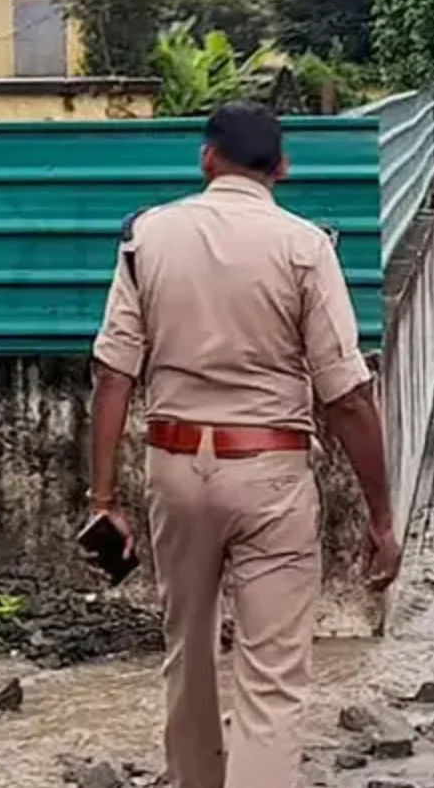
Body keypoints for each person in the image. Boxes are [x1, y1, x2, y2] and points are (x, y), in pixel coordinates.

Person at [87, 103, 401, 788]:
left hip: (173, 467)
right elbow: (347, 395)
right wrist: (381, 517)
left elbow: (114, 376)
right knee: (272, 679)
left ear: (207, 159)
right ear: (280, 168)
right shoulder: (305, 246)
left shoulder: (147, 237)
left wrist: (104, 499)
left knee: (187, 656)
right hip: (270, 472)